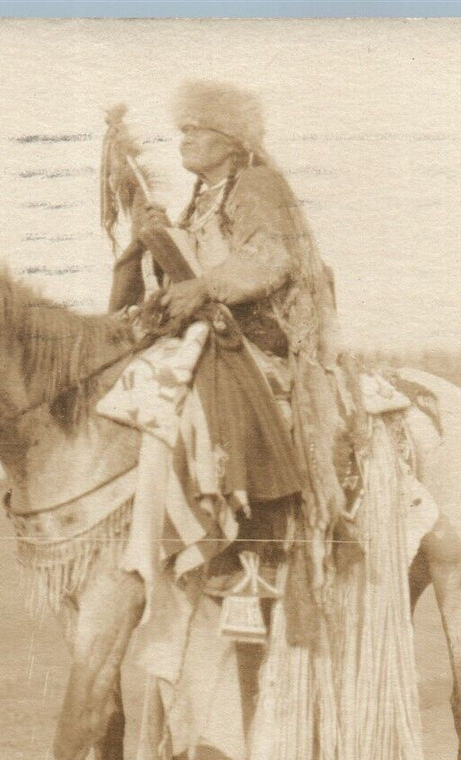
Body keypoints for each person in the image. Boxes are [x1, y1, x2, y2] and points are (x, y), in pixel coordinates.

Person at [120, 81, 354, 637]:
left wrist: (203, 288)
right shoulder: (203, 196)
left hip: (266, 337)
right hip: (218, 330)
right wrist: (159, 238)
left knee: (222, 388)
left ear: (229, 138)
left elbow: (270, 260)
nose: (185, 139)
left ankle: (254, 561)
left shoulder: (257, 185)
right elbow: (190, 266)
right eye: (183, 129)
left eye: (196, 129)